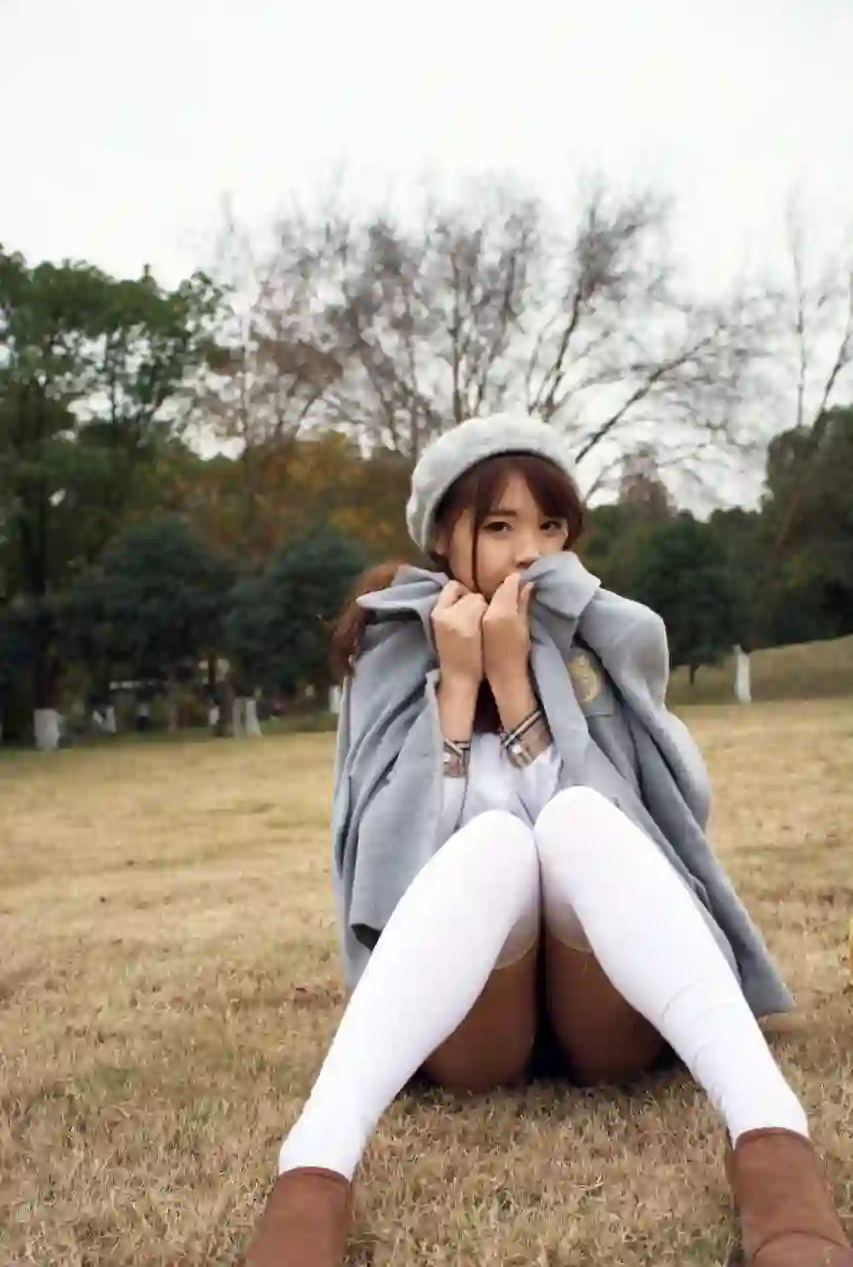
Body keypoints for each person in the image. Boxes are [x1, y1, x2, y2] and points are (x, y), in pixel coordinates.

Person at [241, 415, 852, 1267]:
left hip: (605, 1020)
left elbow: (649, 832)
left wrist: (515, 681)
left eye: (550, 525)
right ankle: (311, 1178)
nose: (529, 551)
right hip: (473, 1033)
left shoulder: (596, 641)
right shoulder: (390, 653)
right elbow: (396, 873)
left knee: (576, 818)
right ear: (443, 538)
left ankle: (777, 1161)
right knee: (493, 841)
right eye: (499, 526)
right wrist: (459, 689)